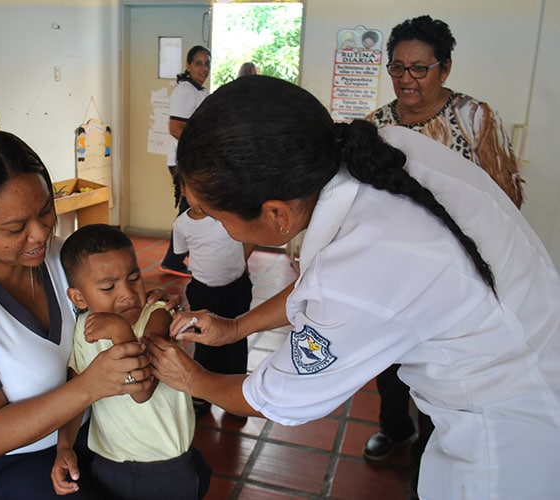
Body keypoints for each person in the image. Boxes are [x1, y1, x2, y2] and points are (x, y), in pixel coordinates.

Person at [143, 75, 560, 500]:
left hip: (509, 436)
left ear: (277, 216)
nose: (213, 226)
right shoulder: (381, 149)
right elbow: (326, 285)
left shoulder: (366, 265)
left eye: (212, 215)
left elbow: (279, 396)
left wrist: (193, 378)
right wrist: (235, 329)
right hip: (526, 362)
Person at [0, 129, 174, 499]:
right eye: (15, 228)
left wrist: (146, 309)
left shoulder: (60, 261)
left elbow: (121, 312)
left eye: (46, 211)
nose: (40, 234)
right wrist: (92, 384)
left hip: (71, 434)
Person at [363, 14, 524, 468]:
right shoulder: (377, 125)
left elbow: (505, 196)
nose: (406, 79)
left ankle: (429, 450)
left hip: (458, 272)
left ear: (445, 69)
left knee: (445, 370)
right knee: (393, 365)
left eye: (420, 68)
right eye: (397, 68)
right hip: (396, 272)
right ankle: (394, 429)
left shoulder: (475, 118)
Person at [60, 224, 211, 500]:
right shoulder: (82, 332)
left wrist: (120, 331)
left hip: (166, 469)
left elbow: (143, 390)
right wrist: (64, 446)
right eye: (109, 287)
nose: (127, 294)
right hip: (109, 462)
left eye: (134, 278)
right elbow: (76, 396)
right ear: (79, 297)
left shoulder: (157, 316)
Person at [172, 202, 254, 418]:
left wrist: (239, 260)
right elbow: (185, 251)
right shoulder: (181, 224)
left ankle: (237, 396)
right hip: (202, 292)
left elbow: (252, 236)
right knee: (204, 342)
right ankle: (202, 394)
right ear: (183, 190)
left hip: (236, 288)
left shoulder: (228, 213)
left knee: (236, 341)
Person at [159, 45, 211, 278]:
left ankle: (177, 256)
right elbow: (175, 127)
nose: (204, 68)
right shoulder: (185, 91)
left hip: (192, 159)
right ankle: (173, 258)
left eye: (207, 63)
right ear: (188, 66)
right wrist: (200, 144)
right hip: (184, 160)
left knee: (190, 207)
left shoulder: (199, 91)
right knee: (190, 208)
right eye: (198, 63)